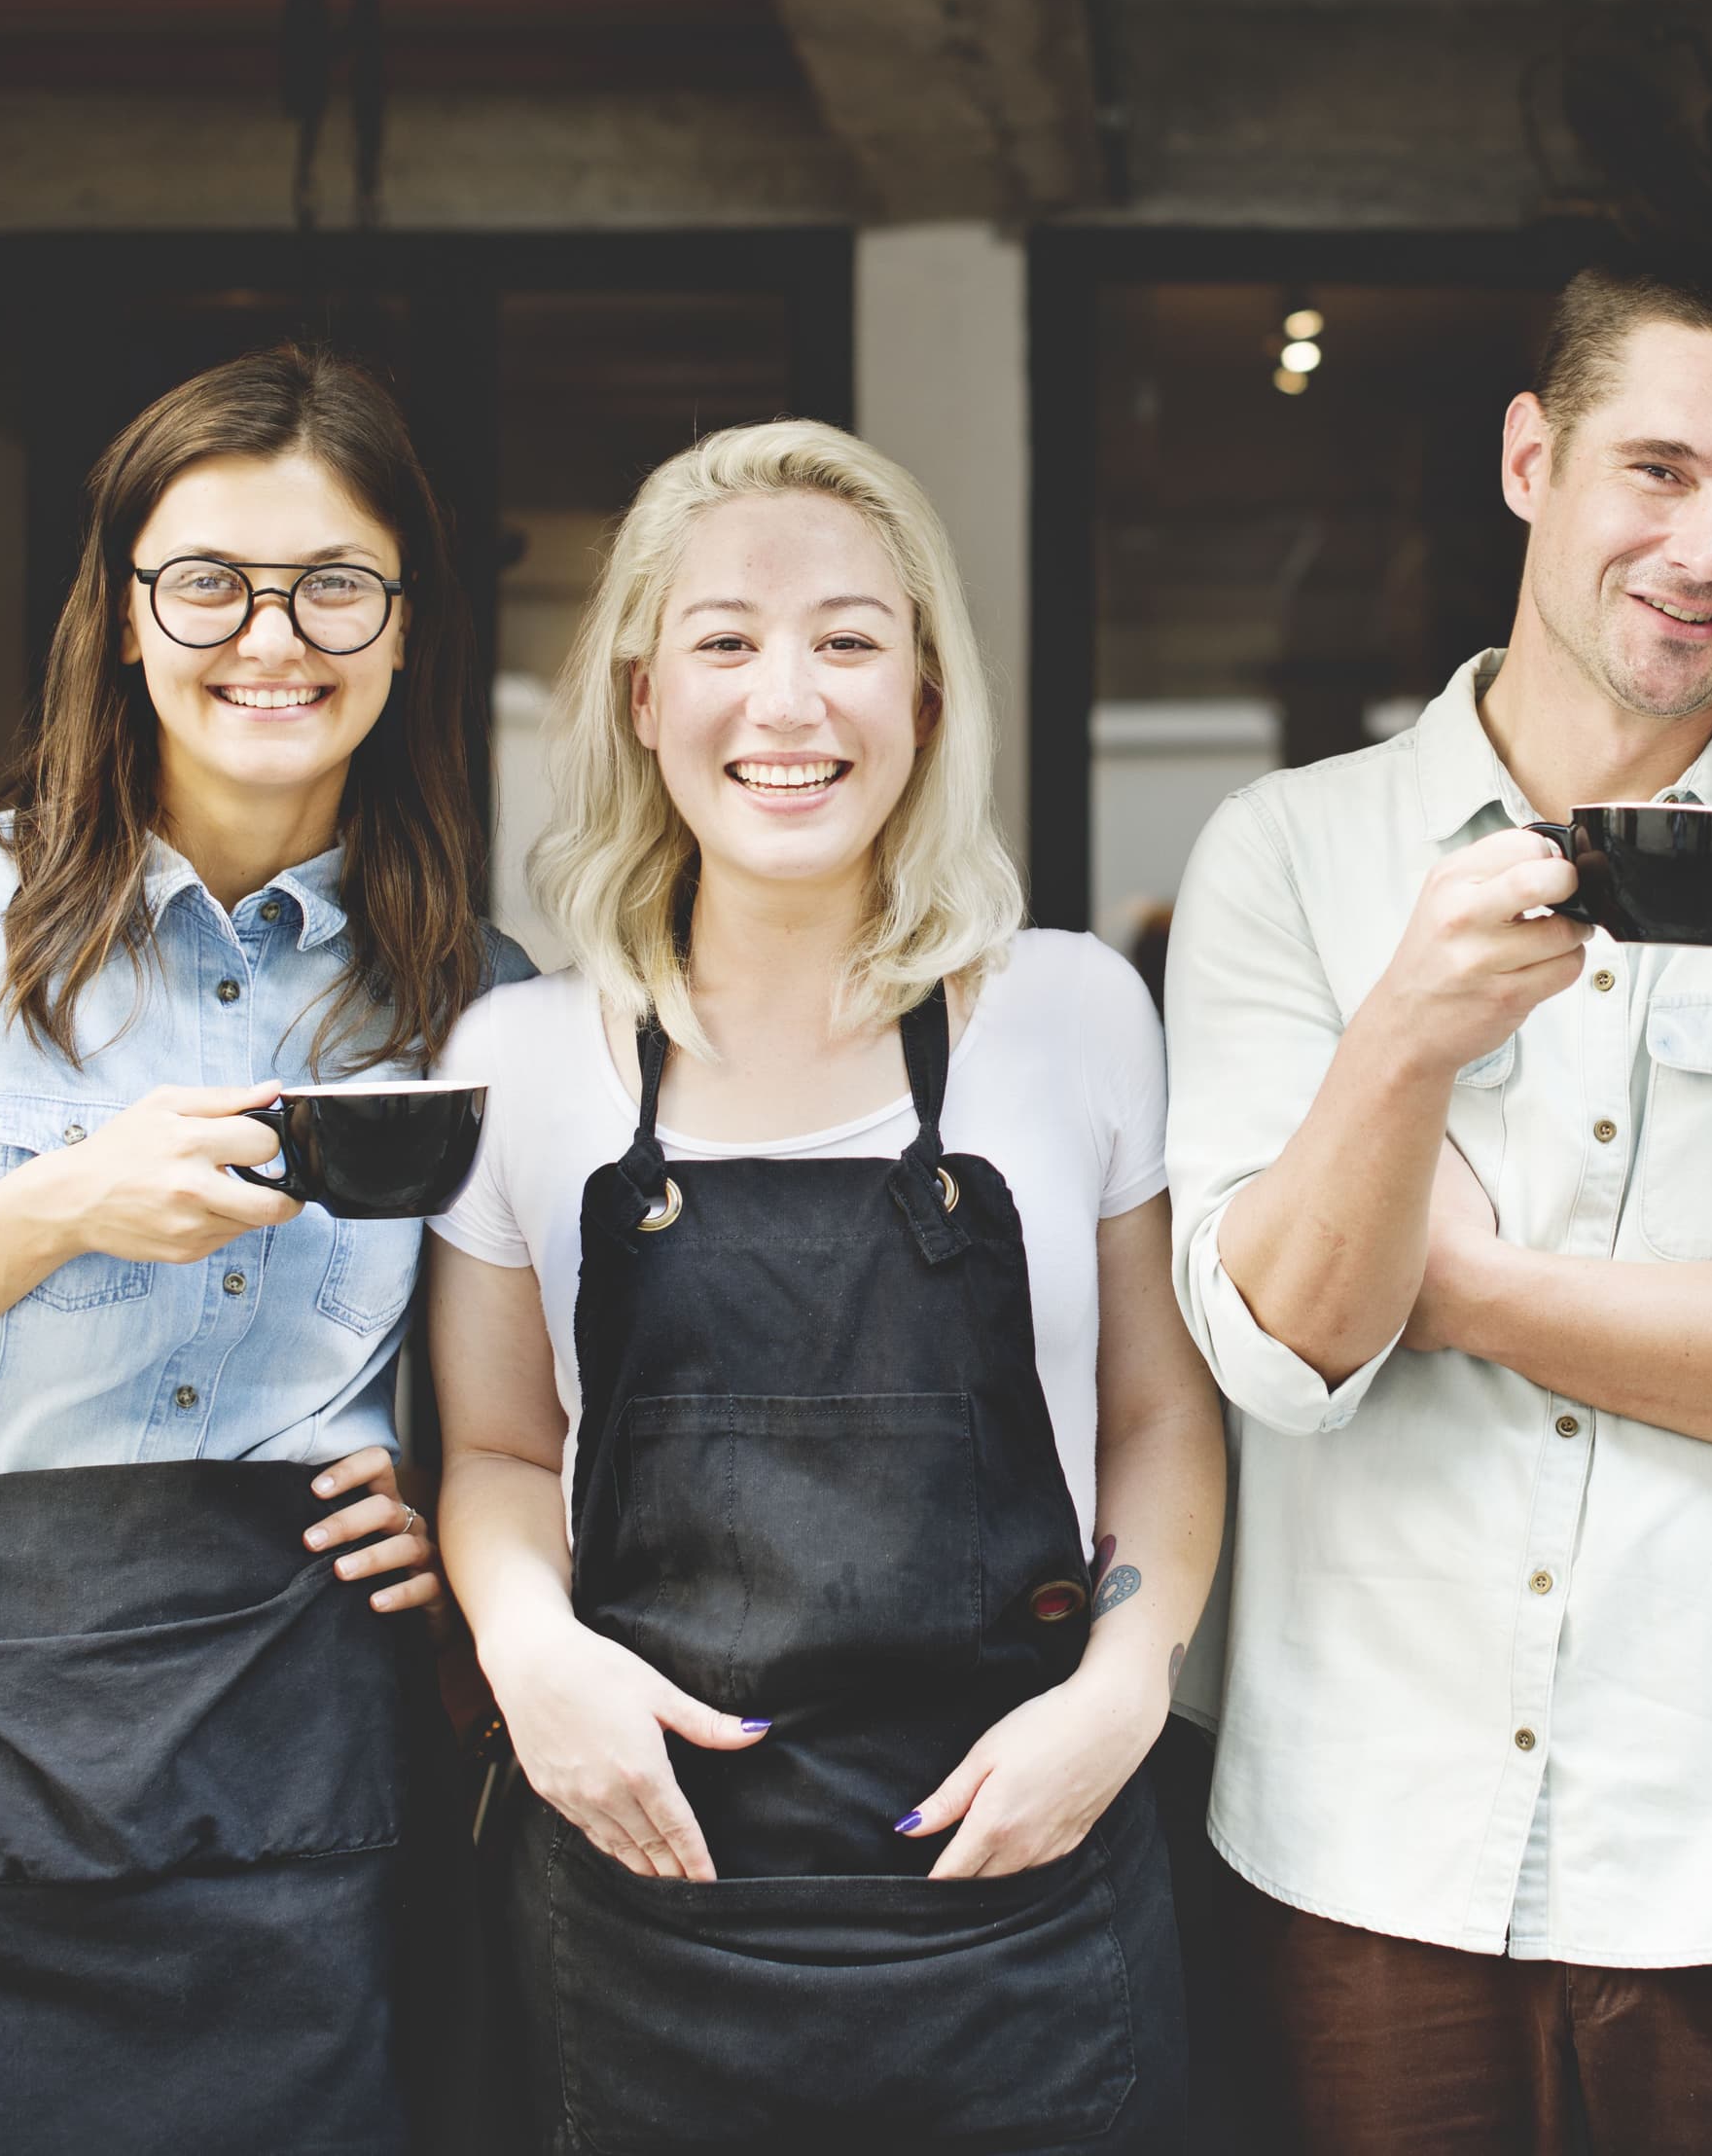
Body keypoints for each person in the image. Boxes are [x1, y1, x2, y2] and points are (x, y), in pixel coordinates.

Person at [1160, 240, 1712, 2154]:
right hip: (1364, 1834)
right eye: (1660, 470)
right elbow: (1283, 1346)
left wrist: (1462, 1288)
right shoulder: (1285, 855)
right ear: (1531, 459)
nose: (1709, 549)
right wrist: (1401, 1036)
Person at [0, 346, 529, 2156]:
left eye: (336, 585)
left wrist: (456, 1506)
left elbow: (530, 1407)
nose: (272, 638)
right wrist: (61, 1202)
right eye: (209, 581)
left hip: (312, 1772)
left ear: (404, 628)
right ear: (127, 616)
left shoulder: (481, 998)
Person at [424, 418, 1222, 2153]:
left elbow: (1161, 1414)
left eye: (847, 640)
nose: (786, 703)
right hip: (645, 1906)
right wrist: (530, 1654)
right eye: (725, 641)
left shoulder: (1074, 1013)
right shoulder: (520, 1058)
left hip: (1027, 1896)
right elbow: (493, 1451)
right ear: (644, 698)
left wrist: (1123, 1694)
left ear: (926, 698)